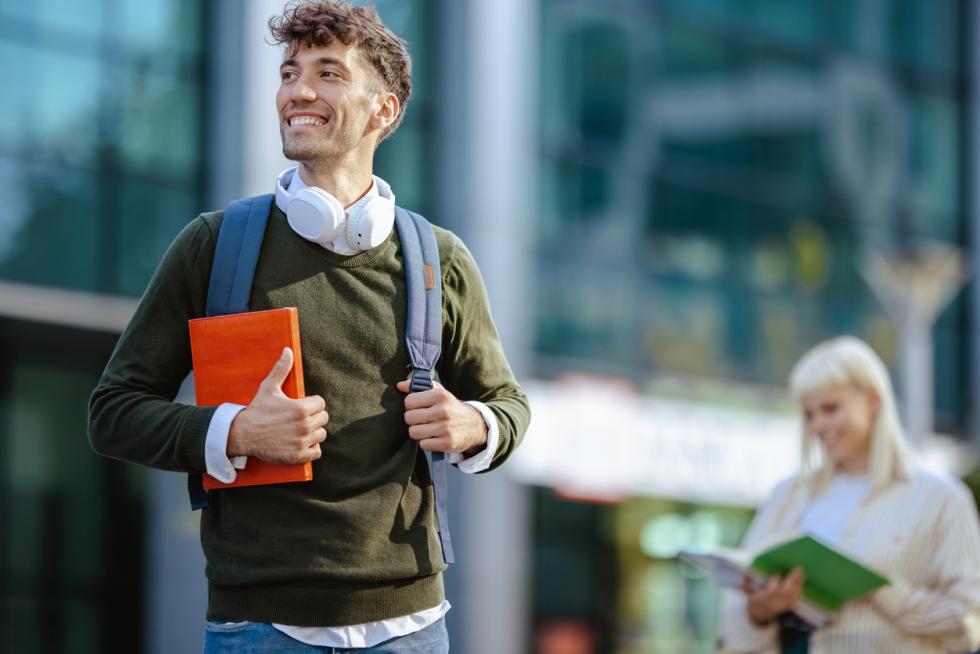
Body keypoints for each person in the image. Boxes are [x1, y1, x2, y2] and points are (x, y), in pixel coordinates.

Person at [87, 2, 530, 652]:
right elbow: (112, 412)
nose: (298, 90)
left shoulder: (440, 261)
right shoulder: (213, 247)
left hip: (411, 630)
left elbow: (509, 406)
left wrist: (475, 426)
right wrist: (234, 429)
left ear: (383, 110)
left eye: (328, 73)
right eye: (290, 72)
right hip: (259, 628)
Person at [720, 336, 980, 654]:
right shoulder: (786, 496)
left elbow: (969, 622)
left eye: (830, 409)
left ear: (872, 401)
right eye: (809, 414)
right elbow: (733, 622)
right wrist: (759, 611)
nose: (819, 425)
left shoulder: (941, 500)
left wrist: (879, 589)